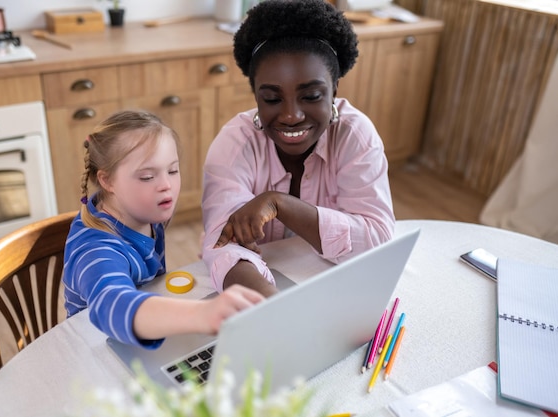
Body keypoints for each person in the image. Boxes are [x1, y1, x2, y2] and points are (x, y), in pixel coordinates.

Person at [202, 0, 395, 297]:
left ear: (335, 91)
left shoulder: (355, 136)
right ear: (256, 96)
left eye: (312, 95)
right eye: (272, 98)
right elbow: (222, 248)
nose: (292, 115)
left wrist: (281, 203)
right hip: (263, 290)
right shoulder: (234, 144)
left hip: (338, 288)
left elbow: (378, 241)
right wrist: (278, 310)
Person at [63, 110, 263, 347]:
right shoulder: (95, 249)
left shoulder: (143, 211)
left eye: (173, 170)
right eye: (147, 177)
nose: (166, 185)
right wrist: (200, 314)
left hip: (139, 339)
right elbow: (112, 304)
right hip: (97, 351)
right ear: (107, 181)